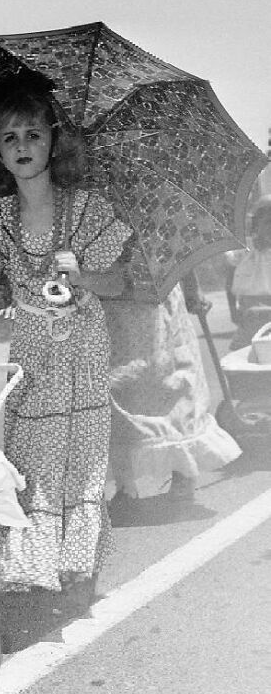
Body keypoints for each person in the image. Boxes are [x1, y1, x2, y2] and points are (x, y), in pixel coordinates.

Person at [0, 70, 131, 598]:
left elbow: (118, 283)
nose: (22, 146)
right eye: (10, 137)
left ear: (54, 139)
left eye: (33, 134)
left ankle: (77, 570)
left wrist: (84, 275)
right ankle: (34, 565)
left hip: (87, 353)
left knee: (84, 458)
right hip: (32, 354)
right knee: (30, 459)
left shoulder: (88, 208)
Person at [103, 268, 241, 504]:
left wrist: (191, 287)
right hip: (113, 302)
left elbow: (179, 246)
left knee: (174, 384)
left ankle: (184, 473)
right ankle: (125, 485)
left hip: (158, 298)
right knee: (120, 389)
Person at [227, 195, 271, 351]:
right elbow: (229, 281)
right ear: (255, 225)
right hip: (249, 310)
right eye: (268, 222)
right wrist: (232, 310)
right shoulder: (244, 250)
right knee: (243, 351)